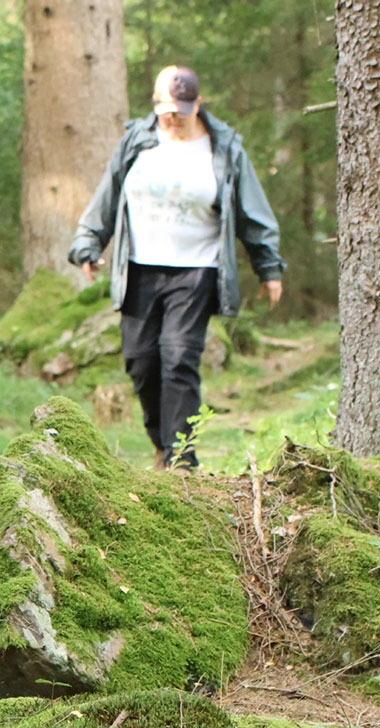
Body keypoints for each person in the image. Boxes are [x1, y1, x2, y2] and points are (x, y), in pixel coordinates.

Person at [69, 65, 286, 469]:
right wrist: (88, 242)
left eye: (183, 109)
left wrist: (268, 267)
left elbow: (253, 212)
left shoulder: (224, 149)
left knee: (179, 357)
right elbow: (108, 194)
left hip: (197, 268)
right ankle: (161, 442)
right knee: (141, 362)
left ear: (198, 104)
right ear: (155, 105)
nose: (175, 117)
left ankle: (182, 458)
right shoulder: (137, 140)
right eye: (168, 109)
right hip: (139, 268)